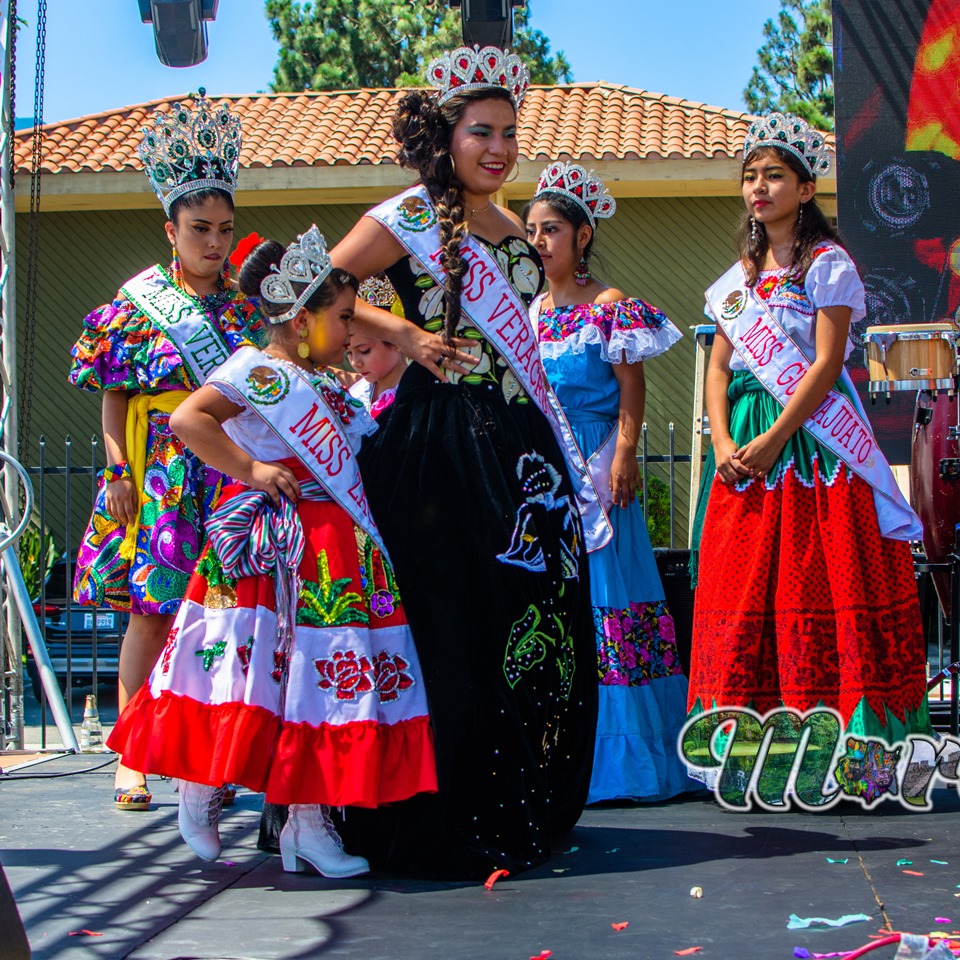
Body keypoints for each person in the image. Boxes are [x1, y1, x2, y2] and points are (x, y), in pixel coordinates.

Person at [322, 45, 598, 880]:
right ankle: (432, 812)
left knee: (518, 624)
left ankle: (511, 796)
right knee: (443, 629)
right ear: (446, 136)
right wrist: (402, 333)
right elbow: (319, 291)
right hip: (432, 451)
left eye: (511, 134)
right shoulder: (404, 215)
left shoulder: (516, 233)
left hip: (514, 449)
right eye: (483, 132)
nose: (500, 148)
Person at [107, 227, 436, 876]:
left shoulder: (329, 383)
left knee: (314, 692)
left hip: (333, 552)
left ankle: (308, 827)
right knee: (238, 675)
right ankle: (199, 792)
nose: (349, 332)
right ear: (299, 317)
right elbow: (187, 419)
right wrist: (252, 471)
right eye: (341, 318)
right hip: (268, 553)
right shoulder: (254, 370)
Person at [689, 113, 932, 746]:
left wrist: (773, 441)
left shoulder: (828, 263)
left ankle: (841, 743)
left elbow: (825, 365)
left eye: (773, 175)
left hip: (812, 442)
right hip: (743, 435)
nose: (758, 188)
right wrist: (721, 441)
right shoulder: (736, 279)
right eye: (750, 177)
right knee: (745, 590)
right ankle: (752, 746)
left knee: (819, 576)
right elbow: (717, 367)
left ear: (804, 188)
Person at [67, 94, 265, 812]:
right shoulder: (136, 307)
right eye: (199, 229)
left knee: (221, 616)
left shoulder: (247, 313)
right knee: (150, 614)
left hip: (226, 474)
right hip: (158, 478)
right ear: (171, 229)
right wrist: (118, 472)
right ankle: (130, 754)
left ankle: (208, 758)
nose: (213, 243)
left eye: (224, 230)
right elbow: (114, 395)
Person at [525, 162, 692, 803]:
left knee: (613, 597)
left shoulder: (609, 307)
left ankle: (628, 754)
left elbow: (633, 387)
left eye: (553, 229)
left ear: (583, 235)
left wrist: (624, 454)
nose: (540, 242)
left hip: (598, 467)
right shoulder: (528, 309)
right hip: (549, 473)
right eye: (533, 230)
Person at [347, 276, 408, 419]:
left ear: (394, 341)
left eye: (364, 351)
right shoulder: (356, 394)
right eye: (349, 353)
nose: (356, 363)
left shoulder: (418, 391)